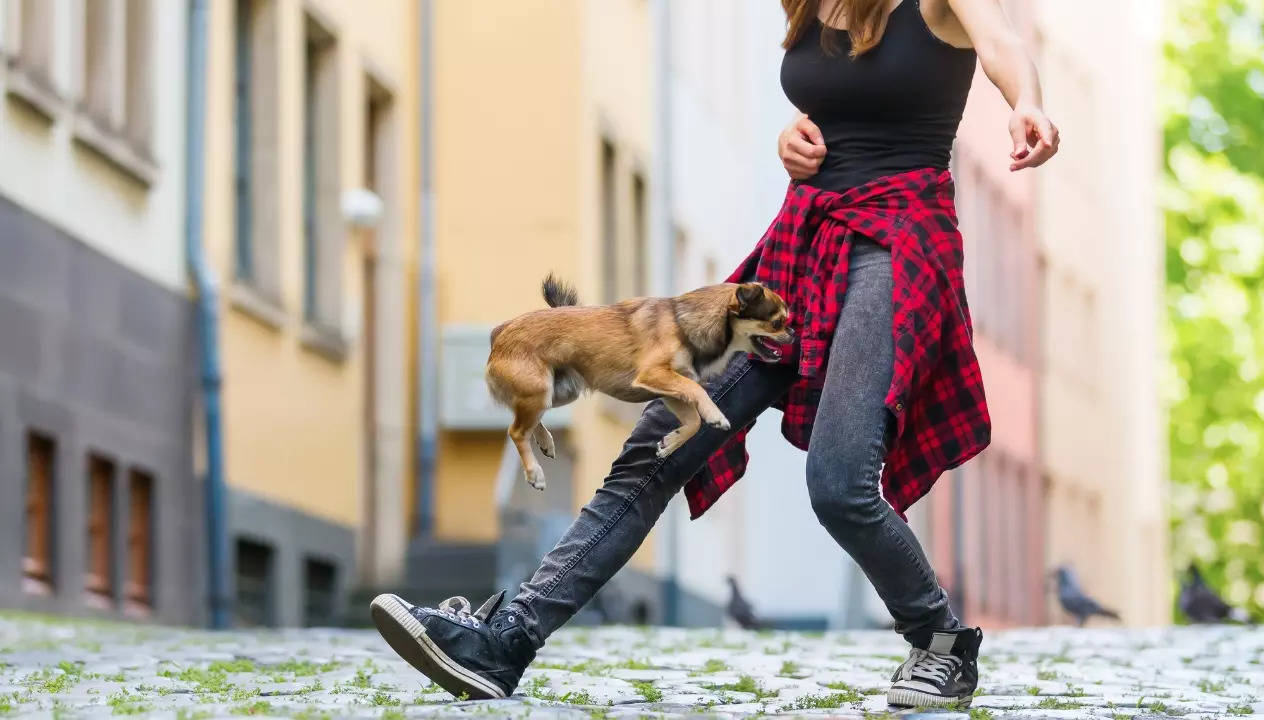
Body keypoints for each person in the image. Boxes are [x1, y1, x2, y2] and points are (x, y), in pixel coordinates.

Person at [370, 0, 1059, 708]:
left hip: (895, 243)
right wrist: (792, 139)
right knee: (658, 448)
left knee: (839, 481)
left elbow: (1002, 42)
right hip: (804, 237)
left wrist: (1026, 101)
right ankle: (506, 641)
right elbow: (836, 99)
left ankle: (939, 643)